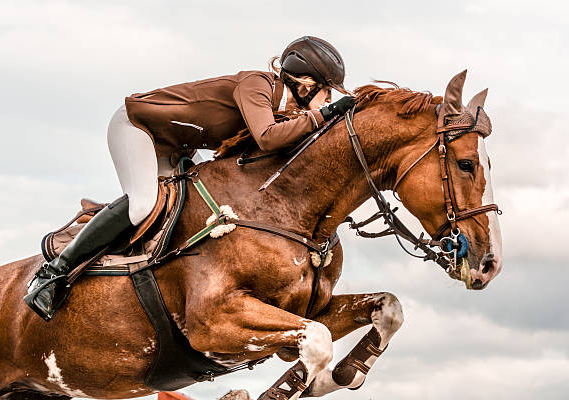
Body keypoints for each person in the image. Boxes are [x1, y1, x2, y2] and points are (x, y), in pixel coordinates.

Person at [24, 36, 356, 321]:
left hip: (177, 146)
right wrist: (324, 114)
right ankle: (51, 275)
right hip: (139, 128)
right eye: (328, 94)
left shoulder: (287, 112)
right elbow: (269, 138)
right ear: (306, 84)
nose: (328, 101)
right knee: (143, 205)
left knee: (193, 210)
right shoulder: (258, 85)